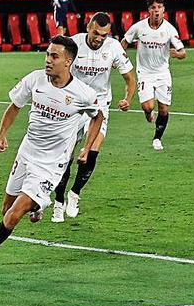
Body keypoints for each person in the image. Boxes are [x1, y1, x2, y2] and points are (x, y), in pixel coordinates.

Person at [0, 36, 103, 281]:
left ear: (68, 61)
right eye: (47, 54)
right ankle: (38, 204)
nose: (48, 60)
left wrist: (87, 148)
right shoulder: (35, 79)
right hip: (26, 152)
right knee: (5, 209)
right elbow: (14, 106)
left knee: (14, 215)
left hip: (51, 164)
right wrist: (1, 135)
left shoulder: (82, 94)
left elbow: (97, 116)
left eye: (54, 56)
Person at [52, 13, 136, 222]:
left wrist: (128, 98)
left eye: (104, 35)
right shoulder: (75, 43)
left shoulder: (114, 47)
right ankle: (58, 201)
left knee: (92, 152)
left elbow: (129, 78)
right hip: (73, 105)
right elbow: (58, 70)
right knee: (65, 157)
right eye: (96, 33)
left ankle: (75, 194)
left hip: (99, 105)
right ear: (88, 27)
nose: (99, 38)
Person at [121, 0, 186, 151]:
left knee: (163, 109)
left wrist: (177, 54)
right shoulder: (139, 27)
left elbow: (182, 52)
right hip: (144, 73)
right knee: (148, 106)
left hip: (163, 73)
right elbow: (125, 41)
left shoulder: (169, 29)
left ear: (163, 9)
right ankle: (148, 113)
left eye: (159, 7)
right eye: (153, 8)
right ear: (148, 10)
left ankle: (157, 138)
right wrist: (117, 55)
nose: (156, 11)